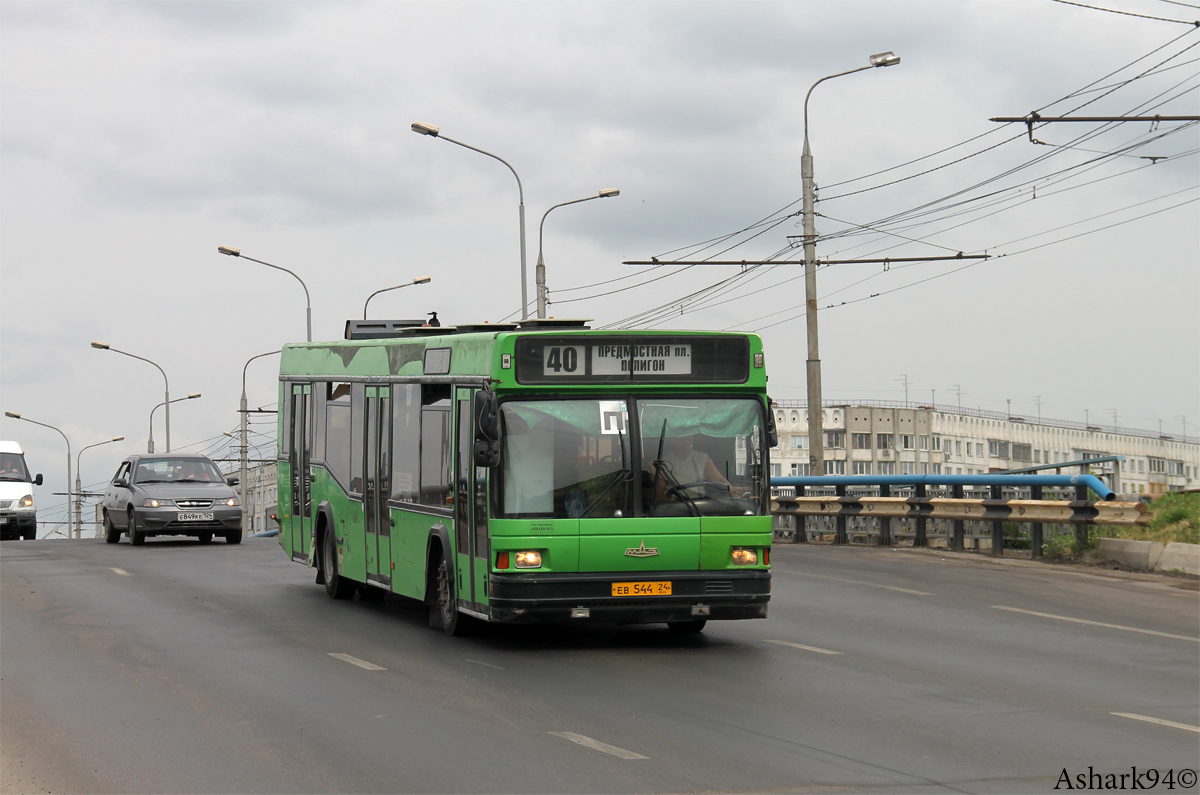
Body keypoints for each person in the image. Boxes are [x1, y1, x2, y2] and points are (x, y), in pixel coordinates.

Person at [652, 434, 730, 500]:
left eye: (688, 437)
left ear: (692, 438)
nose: (685, 441)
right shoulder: (664, 462)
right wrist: (669, 502)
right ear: (673, 440)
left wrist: (730, 489)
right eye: (681, 438)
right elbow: (659, 492)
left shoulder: (702, 458)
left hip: (699, 506)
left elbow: (719, 479)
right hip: (674, 507)